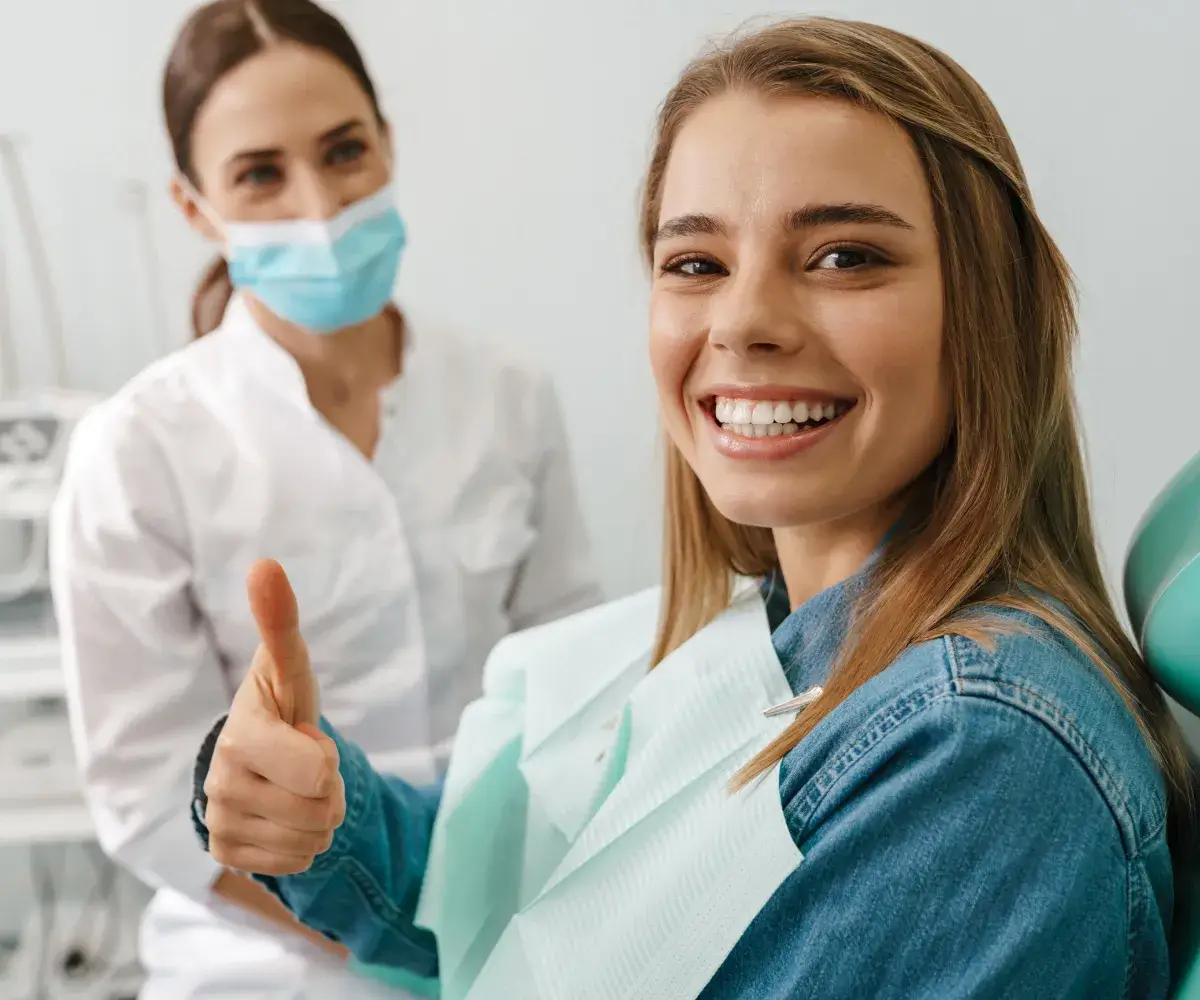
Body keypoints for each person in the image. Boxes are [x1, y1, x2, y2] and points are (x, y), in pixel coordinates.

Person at [189, 15, 1192, 999]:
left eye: (845, 255)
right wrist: (315, 810)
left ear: (989, 306)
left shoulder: (976, 755)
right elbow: (510, 881)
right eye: (695, 264)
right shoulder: (766, 634)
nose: (745, 320)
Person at [47, 1, 599, 998]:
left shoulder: (507, 393)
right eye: (260, 174)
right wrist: (387, 931)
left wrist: (509, 917)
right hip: (270, 952)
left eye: (344, 152)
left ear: (387, 145)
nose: (318, 206)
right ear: (194, 208)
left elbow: (574, 672)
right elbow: (142, 792)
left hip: (521, 908)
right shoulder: (136, 450)